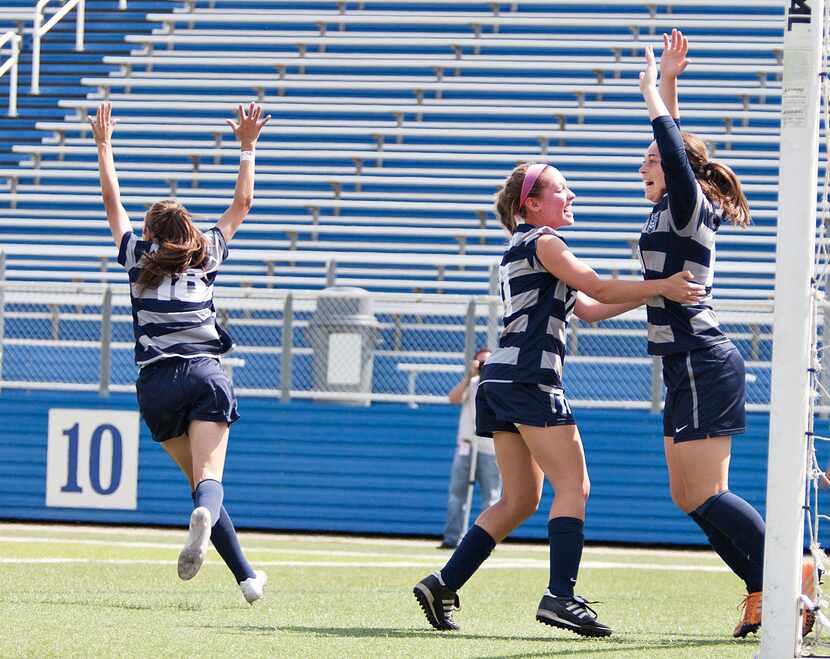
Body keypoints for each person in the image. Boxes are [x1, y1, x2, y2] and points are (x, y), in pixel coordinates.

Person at [413, 159, 706, 637]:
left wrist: (656, 294)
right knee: (574, 486)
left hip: (501, 380)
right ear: (532, 203)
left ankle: (444, 582)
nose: (572, 197)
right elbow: (593, 286)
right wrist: (662, 285)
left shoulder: (520, 246)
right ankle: (561, 597)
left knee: (519, 500)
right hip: (530, 379)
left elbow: (589, 309)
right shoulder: (546, 241)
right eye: (562, 190)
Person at [638, 30, 817, 638]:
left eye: (652, 158)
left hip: (700, 357)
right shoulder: (671, 208)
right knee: (687, 495)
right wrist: (668, 82)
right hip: (681, 362)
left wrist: (656, 96)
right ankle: (765, 590)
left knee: (708, 491)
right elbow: (673, 145)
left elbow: (672, 141)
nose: (643, 164)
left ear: (676, 167)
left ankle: (793, 572)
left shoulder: (685, 205)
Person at [89, 101, 271, 603]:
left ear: (149, 234)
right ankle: (228, 552)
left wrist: (105, 145)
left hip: (156, 384)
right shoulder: (206, 252)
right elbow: (243, 204)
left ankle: (247, 578)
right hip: (204, 375)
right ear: (186, 230)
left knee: (200, 482)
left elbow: (111, 202)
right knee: (208, 483)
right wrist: (248, 146)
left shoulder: (136, 258)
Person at [439, 348, 501, 550]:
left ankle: (487, 540)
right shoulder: (471, 384)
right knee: (457, 493)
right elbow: (453, 398)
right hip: (467, 445)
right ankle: (452, 537)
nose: (483, 366)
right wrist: (469, 377)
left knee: (491, 496)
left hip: (489, 448)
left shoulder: (497, 386)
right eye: (480, 363)